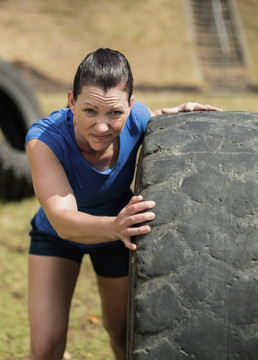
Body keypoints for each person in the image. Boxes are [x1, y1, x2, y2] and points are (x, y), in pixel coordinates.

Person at [25, 48, 222, 360]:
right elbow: (63, 220)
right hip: (59, 237)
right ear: (71, 101)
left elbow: (154, 118)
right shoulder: (44, 140)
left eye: (114, 113)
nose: (102, 127)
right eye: (89, 111)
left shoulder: (138, 118)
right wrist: (115, 226)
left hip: (119, 237)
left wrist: (180, 116)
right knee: (46, 348)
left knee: (122, 332)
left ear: (130, 106)